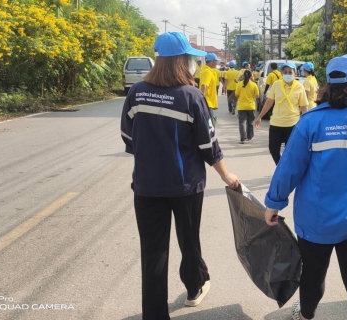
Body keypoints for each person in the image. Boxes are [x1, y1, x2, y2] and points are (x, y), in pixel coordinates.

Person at [262, 54, 347, 320]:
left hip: (317, 220)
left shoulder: (311, 122)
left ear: (327, 84)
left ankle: (305, 316)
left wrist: (274, 203)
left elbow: (289, 167)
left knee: (312, 277)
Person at [120, 31, 240, 320]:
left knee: (153, 253)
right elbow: (207, 144)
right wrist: (226, 175)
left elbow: (128, 137)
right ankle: (194, 287)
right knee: (189, 239)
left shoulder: (136, 92)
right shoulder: (190, 96)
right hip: (185, 186)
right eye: (190, 58)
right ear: (182, 61)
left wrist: (153, 154)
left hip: (147, 186)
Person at [255, 62, 308, 165]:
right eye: (285, 72)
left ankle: (287, 172)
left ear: (295, 73)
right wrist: (260, 116)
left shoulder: (300, 87)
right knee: (273, 150)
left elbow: (304, 107)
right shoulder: (276, 84)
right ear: (281, 73)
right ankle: (281, 168)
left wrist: (306, 124)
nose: (287, 74)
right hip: (276, 122)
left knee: (291, 152)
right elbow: (269, 102)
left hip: (292, 124)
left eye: (290, 72)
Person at [235, 70, 259, 144]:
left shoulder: (239, 84)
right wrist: (252, 97)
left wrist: (241, 97)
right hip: (251, 106)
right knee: (250, 122)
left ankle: (243, 138)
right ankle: (250, 136)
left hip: (241, 106)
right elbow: (257, 96)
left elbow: (236, 95)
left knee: (242, 122)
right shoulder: (254, 85)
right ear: (251, 76)